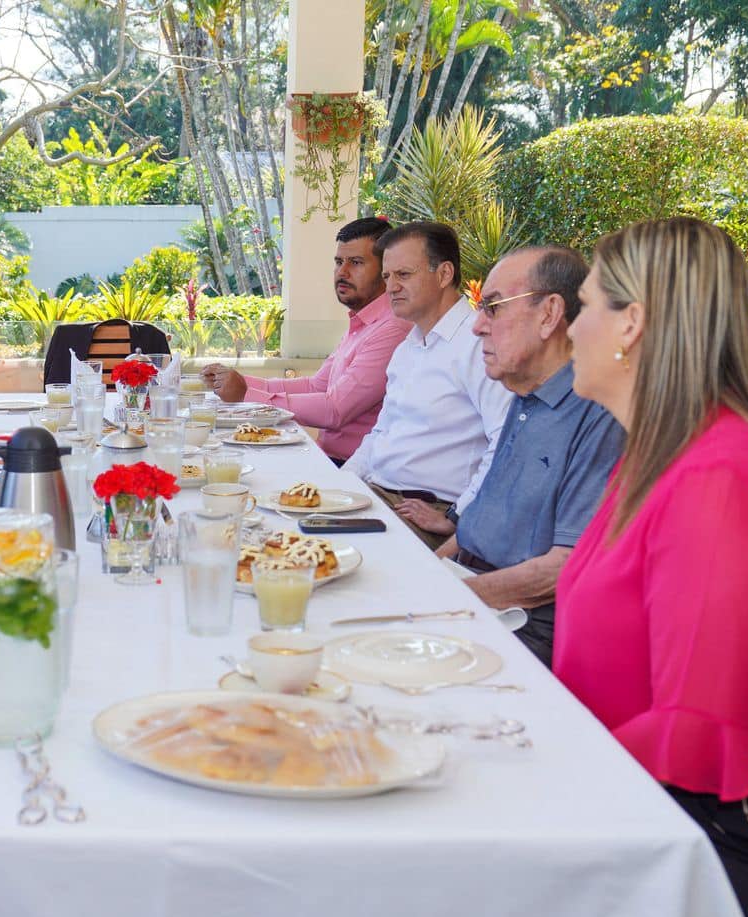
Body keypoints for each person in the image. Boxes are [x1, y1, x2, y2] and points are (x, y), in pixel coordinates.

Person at [555, 216, 748, 917]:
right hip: (651, 803)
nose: (571, 329)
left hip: (741, 845)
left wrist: (535, 773)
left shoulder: (720, 481)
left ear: (634, 324)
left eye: (585, 306)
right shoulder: (661, 453)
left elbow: (693, 727)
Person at [429, 246, 625, 666]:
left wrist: (444, 600)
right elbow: (474, 529)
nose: (477, 326)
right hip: (472, 585)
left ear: (550, 314)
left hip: (524, 624)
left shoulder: (596, 409)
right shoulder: (524, 394)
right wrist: (427, 572)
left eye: (493, 308)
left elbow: (561, 569)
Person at [343, 221, 512, 548]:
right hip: (375, 497)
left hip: (424, 511)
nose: (391, 287)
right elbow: (381, 433)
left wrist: (458, 517)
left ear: (444, 274)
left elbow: (506, 441)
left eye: (403, 275)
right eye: (387, 276)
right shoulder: (409, 345)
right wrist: (338, 485)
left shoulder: (478, 343)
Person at [200, 217, 409, 464]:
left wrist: (246, 395)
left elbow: (335, 410)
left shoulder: (393, 328)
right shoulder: (363, 322)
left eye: (356, 262)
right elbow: (316, 386)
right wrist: (239, 382)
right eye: (339, 262)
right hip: (327, 457)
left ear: (386, 270)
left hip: (356, 469)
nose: (342, 272)